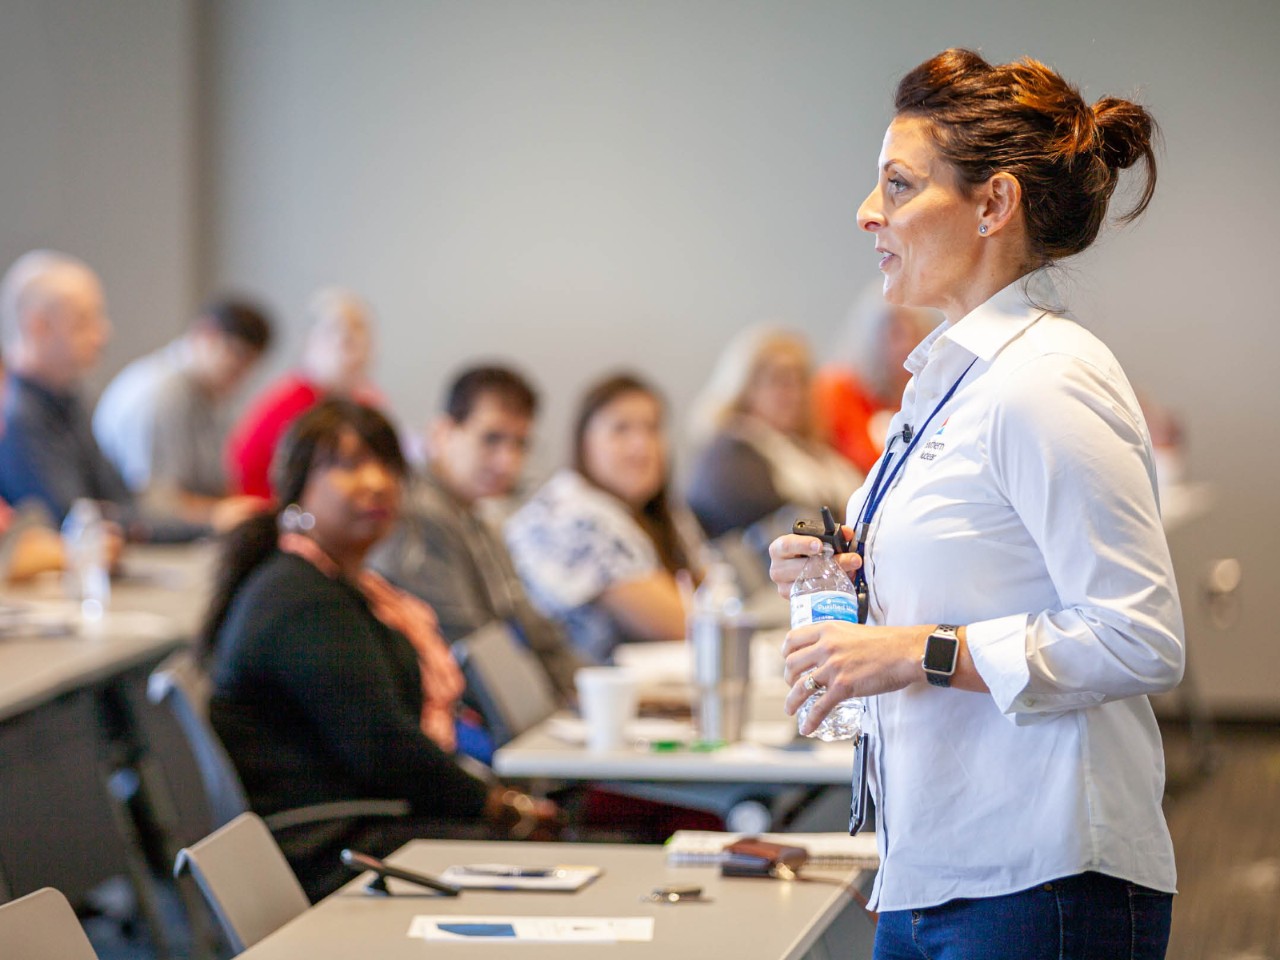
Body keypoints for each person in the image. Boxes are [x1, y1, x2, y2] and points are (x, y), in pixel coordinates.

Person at [768, 49, 1182, 958]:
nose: (868, 212)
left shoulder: (1049, 378)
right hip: (935, 860)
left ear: (994, 205)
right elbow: (978, 570)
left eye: (901, 185)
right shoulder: (949, 379)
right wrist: (848, 570)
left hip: (1043, 872)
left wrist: (918, 650)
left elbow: (1140, 634)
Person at [202, 399, 558, 901]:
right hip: (338, 850)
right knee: (581, 857)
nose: (376, 482)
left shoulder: (339, 585)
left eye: (386, 464)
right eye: (347, 466)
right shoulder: (301, 600)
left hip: (369, 826)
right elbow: (386, 749)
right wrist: (499, 805)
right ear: (298, 488)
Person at [368, 365, 584, 705]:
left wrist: (590, 692)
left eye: (520, 444)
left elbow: (535, 631)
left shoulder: (474, 514)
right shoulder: (420, 518)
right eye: (491, 439)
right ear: (441, 433)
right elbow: (470, 653)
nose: (508, 462)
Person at [0, 250, 205, 542]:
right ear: (38, 326)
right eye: (84, 321)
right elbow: (75, 521)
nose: (103, 333)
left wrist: (205, 522)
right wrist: (205, 525)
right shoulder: (16, 414)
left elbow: (119, 500)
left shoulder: (71, 399)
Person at [506, 373, 702, 664]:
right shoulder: (575, 515)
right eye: (620, 429)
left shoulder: (651, 511)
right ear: (584, 441)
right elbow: (685, 623)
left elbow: (716, 590)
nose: (641, 445)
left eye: (652, 429)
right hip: (572, 697)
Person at [92, 297, 274, 526]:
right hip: (140, 535)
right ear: (205, 333)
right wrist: (221, 512)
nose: (242, 373)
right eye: (237, 355)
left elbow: (216, 485)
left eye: (250, 365)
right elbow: (153, 505)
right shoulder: (161, 394)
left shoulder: (208, 395)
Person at [685, 325, 862, 545]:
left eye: (800, 381)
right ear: (745, 386)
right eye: (779, 380)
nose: (793, 393)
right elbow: (768, 519)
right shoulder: (729, 453)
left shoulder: (816, 453)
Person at [226, 287, 378, 498]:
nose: (349, 348)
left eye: (359, 335)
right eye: (336, 334)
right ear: (310, 342)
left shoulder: (361, 400)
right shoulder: (292, 403)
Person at [813, 286, 939, 473]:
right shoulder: (837, 391)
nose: (908, 345)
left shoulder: (929, 398)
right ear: (871, 340)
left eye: (916, 334)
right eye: (896, 334)